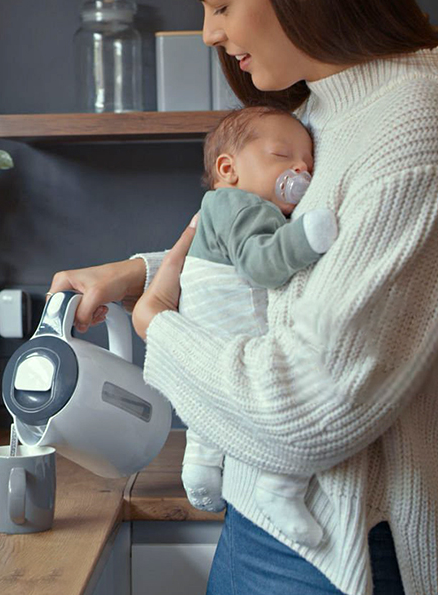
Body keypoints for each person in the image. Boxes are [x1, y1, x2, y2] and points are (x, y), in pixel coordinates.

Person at [49, 0, 438, 593]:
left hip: (341, 552)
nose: (210, 32)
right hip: (265, 518)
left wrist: (158, 325)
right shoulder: (323, 110)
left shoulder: (417, 119)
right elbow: (282, 260)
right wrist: (136, 272)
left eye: (221, 5)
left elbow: (311, 410)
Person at [177, 105, 337, 548]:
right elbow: (262, 265)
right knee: (285, 405)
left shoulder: (220, 209)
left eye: (308, 161)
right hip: (236, 326)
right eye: (281, 155)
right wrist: (307, 236)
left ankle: (202, 468)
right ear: (228, 169)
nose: (301, 168)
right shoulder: (242, 205)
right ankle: (280, 487)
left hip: (208, 337)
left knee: (211, 405)